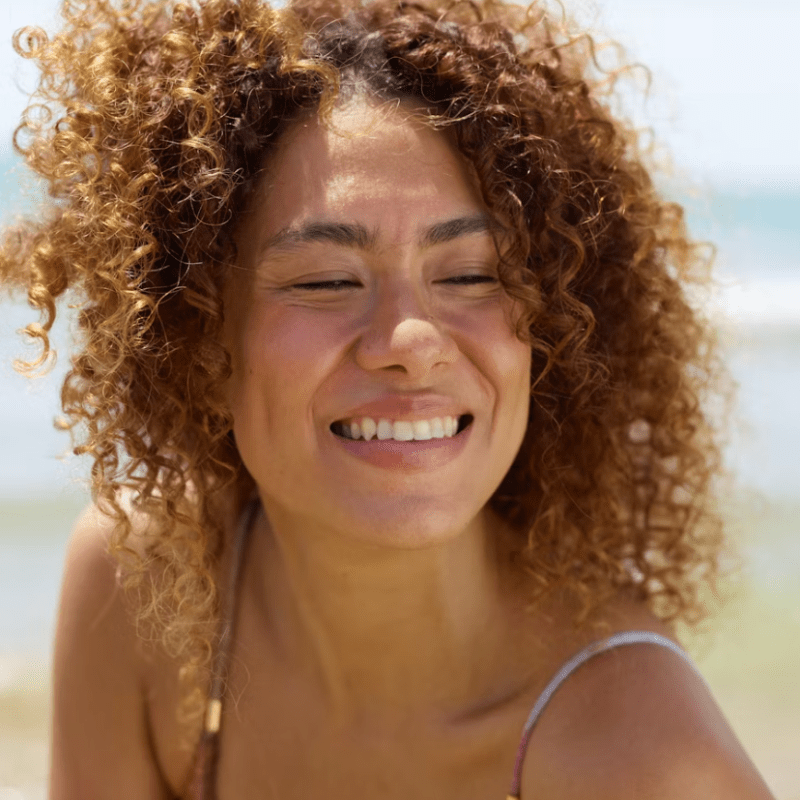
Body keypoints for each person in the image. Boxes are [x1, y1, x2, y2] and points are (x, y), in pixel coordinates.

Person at [0, 0, 775, 797]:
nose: (410, 343)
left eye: (472, 274)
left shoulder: (638, 757)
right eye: (328, 281)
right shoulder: (139, 582)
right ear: (195, 340)